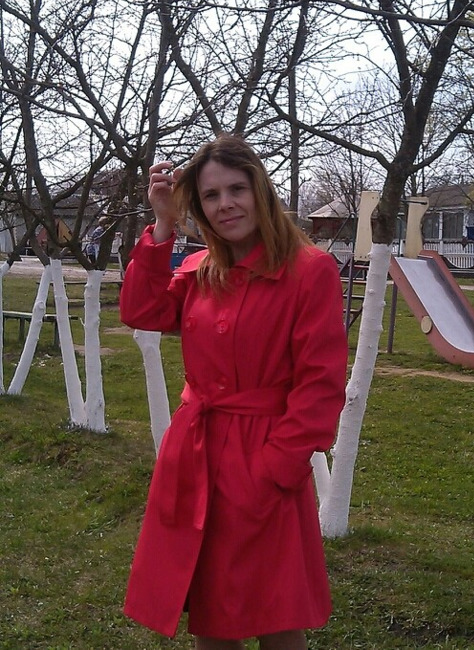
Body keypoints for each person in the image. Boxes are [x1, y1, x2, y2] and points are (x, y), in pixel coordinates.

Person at [120, 134, 348, 650]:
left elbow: (320, 383)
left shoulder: (308, 270)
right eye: (211, 195)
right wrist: (163, 224)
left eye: (236, 189)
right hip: (196, 456)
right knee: (212, 611)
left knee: (276, 611)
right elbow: (141, 310)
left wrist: (276, 468)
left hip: (264, 456)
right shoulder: (201, 270)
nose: (225, 204)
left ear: (260, 190)